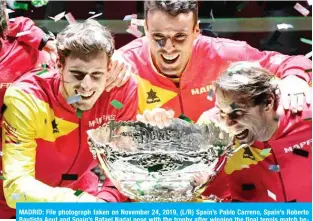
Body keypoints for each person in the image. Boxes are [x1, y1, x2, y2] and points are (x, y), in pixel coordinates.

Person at [117, 0, 311, 201]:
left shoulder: (227, 54)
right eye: (158, 37)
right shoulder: (120, 67)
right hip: (160, 198)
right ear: (146, 29)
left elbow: (293, 62)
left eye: (180, 37)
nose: (168, 48)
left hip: (226, 198)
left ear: (196, 31)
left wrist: (295, 79)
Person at [0, 19, 137, 218]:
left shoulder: (123, 89)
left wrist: (107, 201)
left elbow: (123, 165)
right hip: (17, 209)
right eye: (77, 74)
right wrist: (82, 204)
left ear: (109, 67)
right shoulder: (25, 97)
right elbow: (16, 188)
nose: (86, 86)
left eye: (97, 74)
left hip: (86, 194)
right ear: (59, 64)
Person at [198, 62, 311, 202]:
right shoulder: (212, 128)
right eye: (221, 111)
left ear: (268, 102)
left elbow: (296, 61)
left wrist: (296, 76)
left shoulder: (307, 116)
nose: (227, 124)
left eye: (238, 112)